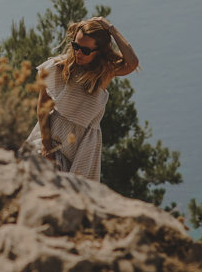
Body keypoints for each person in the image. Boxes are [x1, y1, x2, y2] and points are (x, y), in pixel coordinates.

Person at [24, 16, 138, 180]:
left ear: (98, 52)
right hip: (52, 139)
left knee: (75, 199)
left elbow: (132, 63)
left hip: (83, 147)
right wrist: (47, 148)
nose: (78, 52)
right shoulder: (58, 68)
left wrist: (111, 29)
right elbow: (42, 109)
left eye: (85, 50)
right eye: (75, 46)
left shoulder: (104, 73)